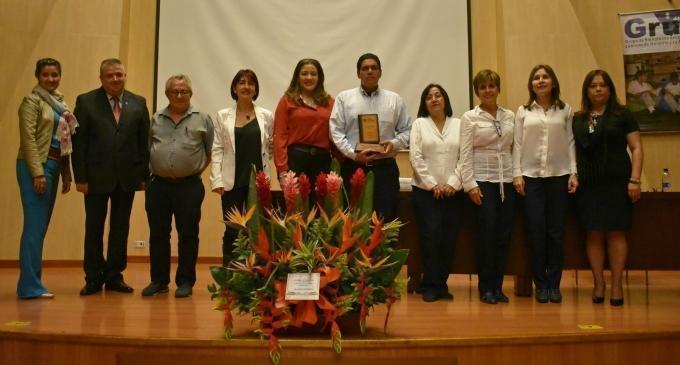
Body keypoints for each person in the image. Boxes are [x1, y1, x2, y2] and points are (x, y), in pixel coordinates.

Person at [72, 58, 150, 296]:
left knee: (120, 228)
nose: (116, 79)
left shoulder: (138, 102)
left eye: (119, 75)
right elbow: (79, 142)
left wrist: (142, 176)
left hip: (126, 178)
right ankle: (93, 277)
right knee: (93, 228)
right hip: (95, 178)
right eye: (110, 75)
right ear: (101, 78)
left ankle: (115, 276)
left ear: (125, 76)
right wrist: (80, 178)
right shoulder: (86, 102)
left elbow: (143, 143)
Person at [573, 69, 643, 307]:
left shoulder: (623, 115)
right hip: (589, 185)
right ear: (587, 91)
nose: (598, 89)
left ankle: (616, 285)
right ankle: (598, 283)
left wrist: (635, 179)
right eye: (593, 86)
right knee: (593, 232)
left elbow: (636, 148)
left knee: (616, 232)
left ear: (610, 89)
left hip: (617, 182)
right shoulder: (579, 118)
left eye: (603, 85)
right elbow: (576, 150)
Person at [141, 75, 214, 298]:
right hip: (158, 186)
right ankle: (159, 281)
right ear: (167, 94)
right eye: (175, 91)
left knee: (188, 234)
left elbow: (211, 151)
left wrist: (193, 171)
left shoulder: (203, 119)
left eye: (184, 91)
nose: (180, 95)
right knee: (159, 234)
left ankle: (185, 281)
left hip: (189, 187)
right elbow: (147, 149)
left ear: (191, 94)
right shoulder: (155, 119)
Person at [512, 64, 578, 304]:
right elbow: (517, 144)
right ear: (531, 84)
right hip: (531, 178)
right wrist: (517, 174)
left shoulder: (565, 110)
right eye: (536, 78)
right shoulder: (523, 111)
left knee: (556, 232)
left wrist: (574, 172)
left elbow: (571, 142)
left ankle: (554, 284)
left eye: (545, 77)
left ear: (553, 82)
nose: (540, 81)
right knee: (535, 230)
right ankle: (540, 284)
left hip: (559, 176)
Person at [16, 58, 76, 299]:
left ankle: (33, 282)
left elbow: (62, 142)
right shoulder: (31, 101)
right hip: (35, 167)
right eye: (46, 75)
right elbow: (28, 140)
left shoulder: (59, 103)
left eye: (55, 75)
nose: (51, 79)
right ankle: (29, 286)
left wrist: (66, 173)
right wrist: (37, 172)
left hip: (53, 165)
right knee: (34, 227)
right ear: (37, 77)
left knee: (40, 228)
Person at [329, 53, 411, 222]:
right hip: (353, 167)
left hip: (385, 169)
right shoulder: (344, 98)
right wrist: (353, 154)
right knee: (354, 221)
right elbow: (335, 131)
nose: (370, 71)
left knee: (385, 220)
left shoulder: (394, 100)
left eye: (374, 68)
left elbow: (408, 130)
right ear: (358, 73)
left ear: (380, 72)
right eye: (365, 68)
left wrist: (394, 143)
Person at [460, 69, 515, 305]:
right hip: (482, 182)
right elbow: (465, 153)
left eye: (491, 86)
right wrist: (470, 184)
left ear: (498, 89)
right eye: (482, 87)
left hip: (507, 180)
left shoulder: (510, 115)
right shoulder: (470, 117)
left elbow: (516, 148)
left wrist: (518, 176)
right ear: (477, 92)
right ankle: (486, 288)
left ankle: (498, 287)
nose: (488, 91)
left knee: (503, 236)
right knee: (487, 236)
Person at [210, 69, 273, 265]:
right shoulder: (223, 115)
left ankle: (258, 272)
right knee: (233, 229)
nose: (246, 86)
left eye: (251, 83)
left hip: (258, 182)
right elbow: (217, 149)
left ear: (256, 90)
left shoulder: (266, 115)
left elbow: (269, 147)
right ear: (234, 88)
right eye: (242, 82)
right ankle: (232, 274)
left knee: (258, 228)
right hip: (232, 181)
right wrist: (216, 179)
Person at [409, 84, 463, 302]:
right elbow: (416, 157)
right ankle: (429, 284)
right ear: (424, 103)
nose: (434, 99)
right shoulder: (419, 124)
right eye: (429, 97)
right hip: (426, 192)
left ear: (445, 99)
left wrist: (452, 183)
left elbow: (465, 157)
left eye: (438, 95)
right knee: (431, 237)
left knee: (449, 239)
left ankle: (442, 283)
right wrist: (433, 185)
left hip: (453, 192)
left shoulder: (459, 124)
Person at [274, 59, 334, 195]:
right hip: (295, 162)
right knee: (297, 211)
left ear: (320, 77)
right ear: (297, 77)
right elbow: (280, 136)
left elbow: (335, 135)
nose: (309, 77)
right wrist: (282, 170)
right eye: (304, 74)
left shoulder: (330, 102)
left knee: (321, 210)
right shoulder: (286, 101)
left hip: (322, 162)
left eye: (313, 74)